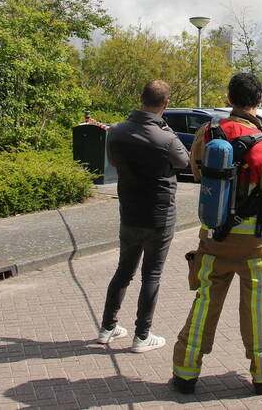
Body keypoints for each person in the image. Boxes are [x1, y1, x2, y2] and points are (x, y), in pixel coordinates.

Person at [171, 73, 262, 396]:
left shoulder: (207, 133)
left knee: (205, 304)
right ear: (259, 100)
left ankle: (185, 372)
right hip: (256, 245)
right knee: (257, 311)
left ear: (229, 99)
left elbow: (196, 173)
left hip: (213, 239)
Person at [96, 80, 189, 353]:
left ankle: (107, 327)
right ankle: (142, 335)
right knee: (152, 274)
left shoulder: (117, 131)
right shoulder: (166, 137)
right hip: (159, 214)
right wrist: (166, 128)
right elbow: (183, 161)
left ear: (140, 98)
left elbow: (113, 161)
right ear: (165, 105)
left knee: (124, 270)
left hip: (130, 212)